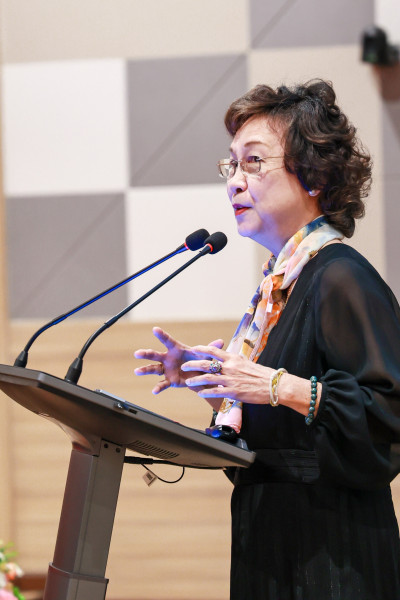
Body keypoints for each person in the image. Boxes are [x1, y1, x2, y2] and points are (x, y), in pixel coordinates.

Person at [134, 79, 400, 600]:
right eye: (230, 165)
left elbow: (387, 416)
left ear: (315, 175)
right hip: (272, 545)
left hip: (334, 559)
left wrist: (276, 385)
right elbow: (284, 436)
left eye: (253, 163)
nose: (234, 182)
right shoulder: (277, 289)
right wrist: (217, 385)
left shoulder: (341, 277)